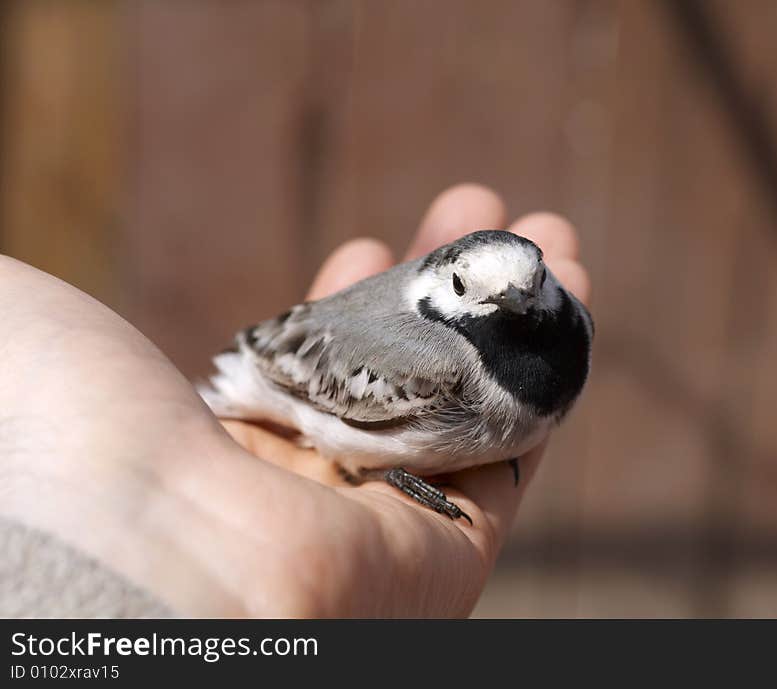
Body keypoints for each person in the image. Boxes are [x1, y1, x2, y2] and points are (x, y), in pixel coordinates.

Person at [0, 184, 590, 617]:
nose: (514, 307)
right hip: (290, 373)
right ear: (442, 283)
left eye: (530, 289)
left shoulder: (575, 327)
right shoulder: (435, 366)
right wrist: (395, 471)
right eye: (469, 290)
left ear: (545, 281)